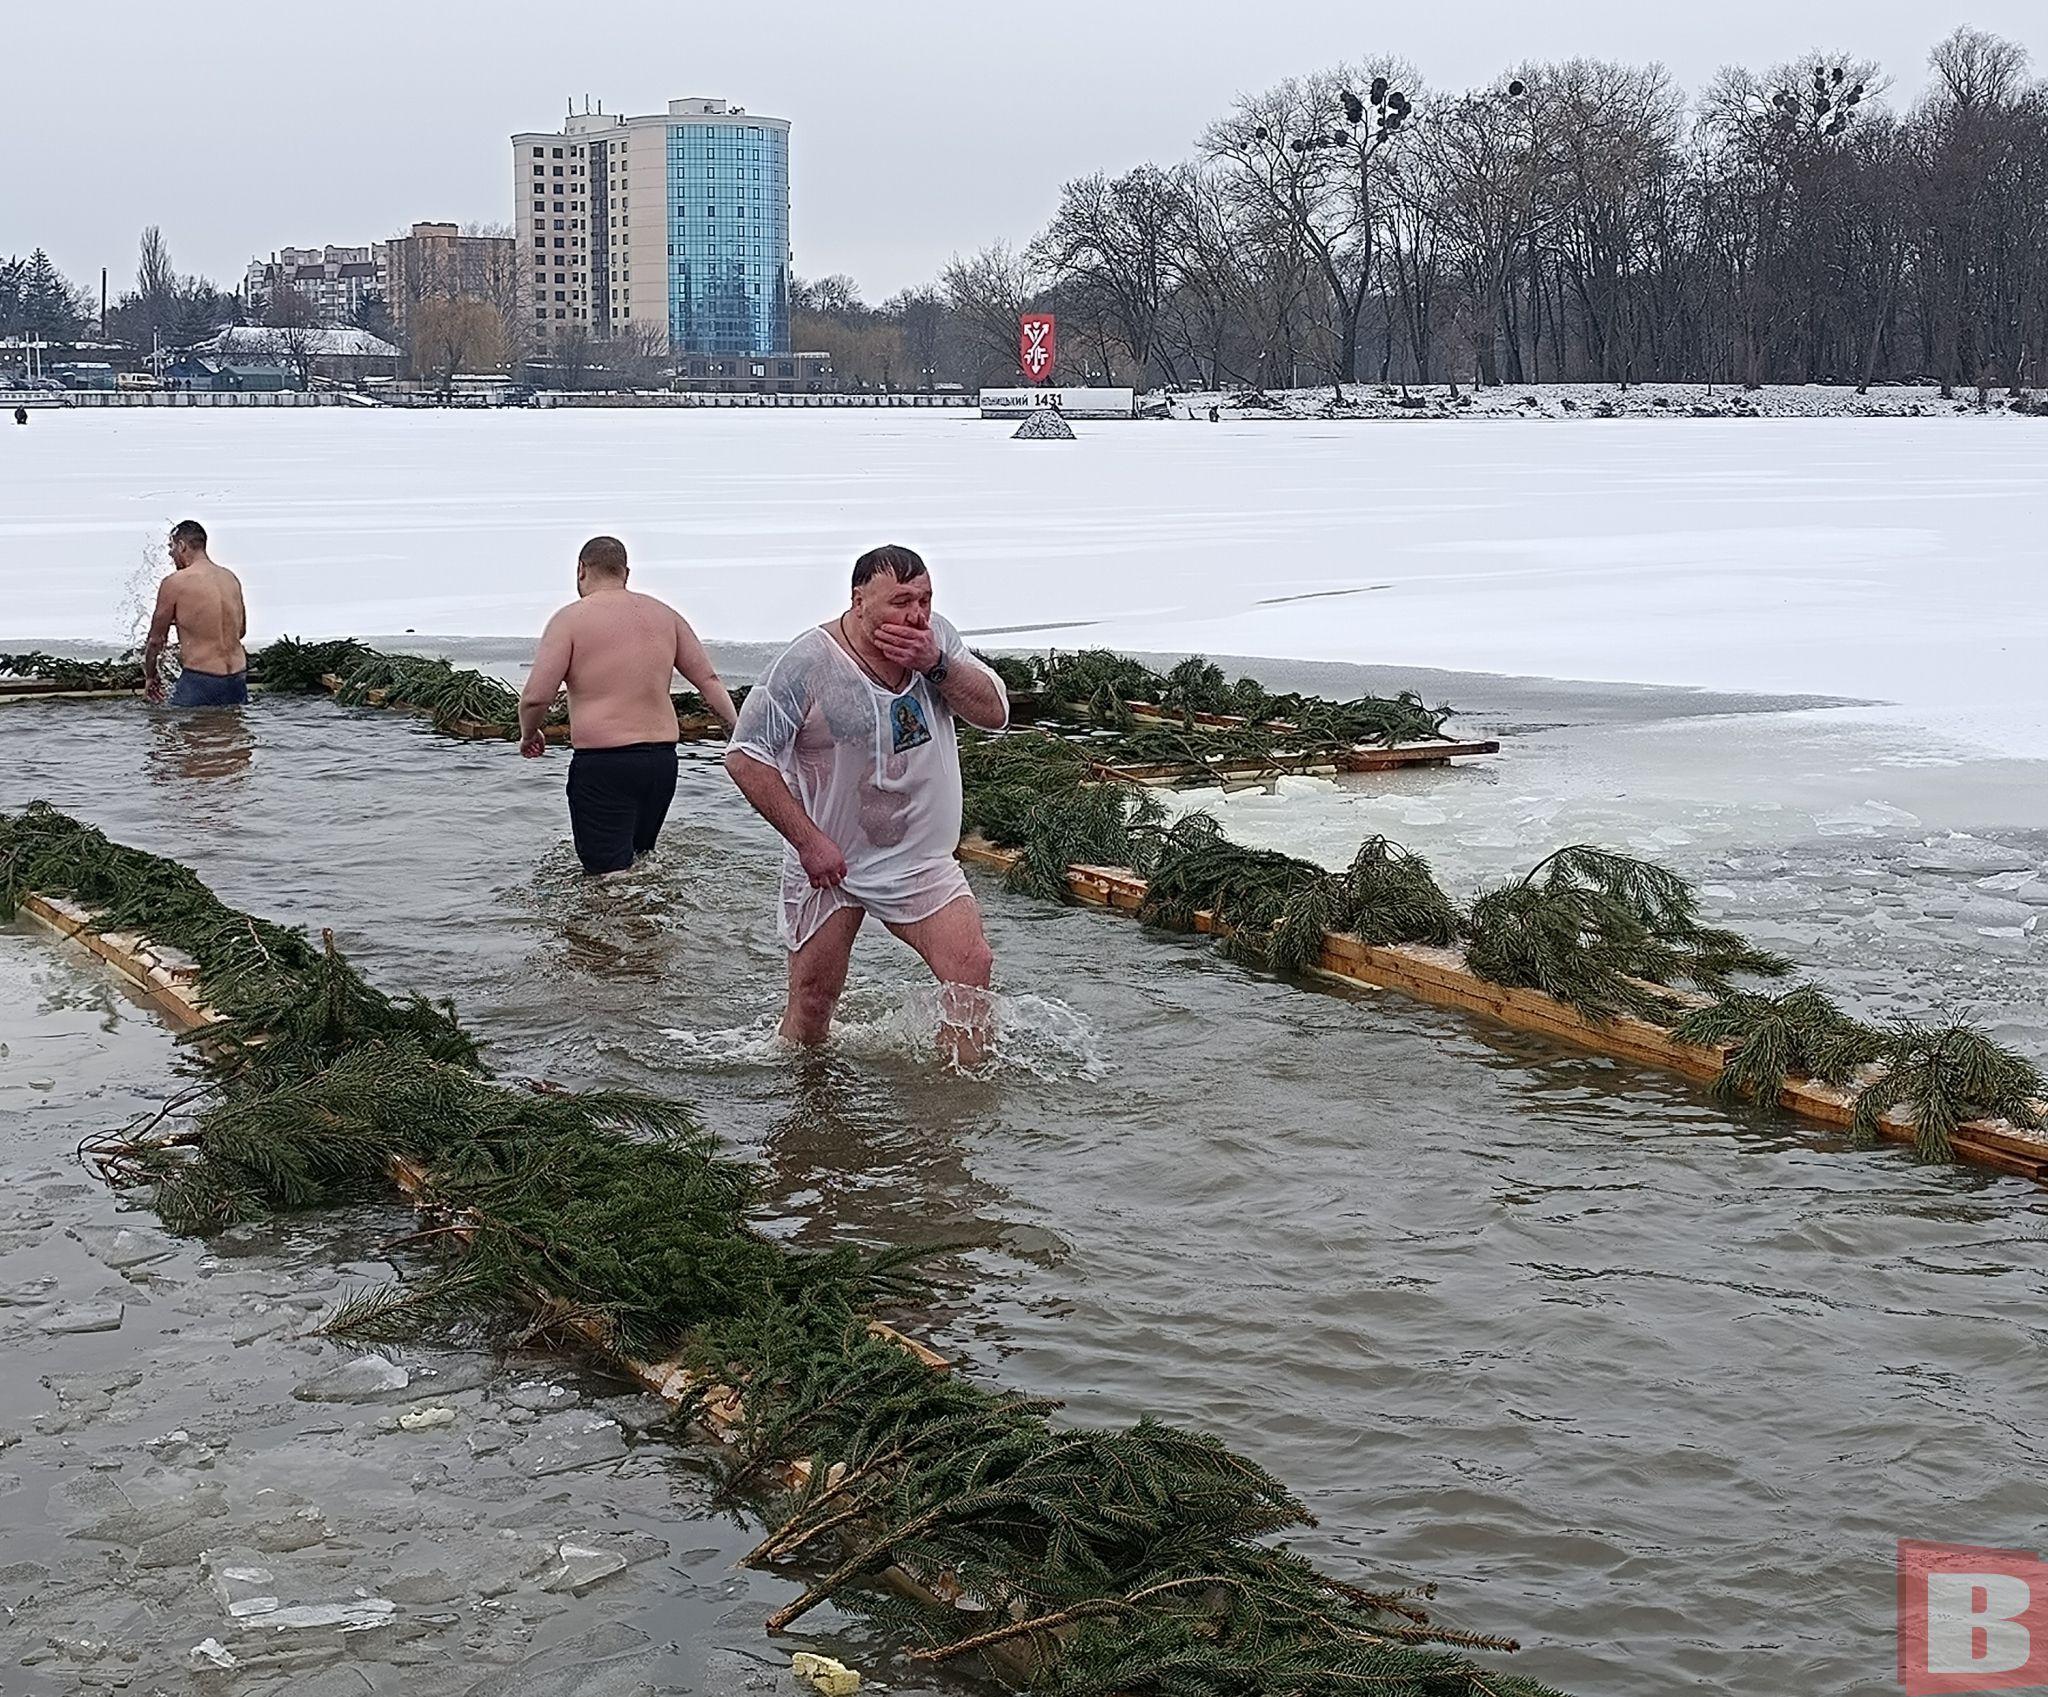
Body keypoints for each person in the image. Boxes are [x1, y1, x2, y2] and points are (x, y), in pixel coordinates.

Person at [726, 543, 1009, 1054]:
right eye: (901, 602)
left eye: (924, 599)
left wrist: (936, 665)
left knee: (971, 971)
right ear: (859, 601)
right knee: (814, 1003)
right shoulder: (807, 663)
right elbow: (745, 758)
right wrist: (809, 842)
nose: (917, 614)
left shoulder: (936, 641)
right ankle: (811, 1110)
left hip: (919, 859)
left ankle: (955, 1117)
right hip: (830, 861)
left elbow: (995, 714)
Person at [518, 534, 738, 876]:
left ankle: (620, 928)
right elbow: (709, 680)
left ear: (581, 570)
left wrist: (528, 733)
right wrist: (735, 735)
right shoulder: (666, 616)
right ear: (625, 573)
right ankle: (650, 928)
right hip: (662, 765)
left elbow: (536, 697)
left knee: (607, 878)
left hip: (605, 765)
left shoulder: (570, 620)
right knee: (640, 864)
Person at [145, 519, 248, 706]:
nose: (170, 554)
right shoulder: (230, 578)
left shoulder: (175, 583)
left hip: (202, 680)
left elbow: (155, 641)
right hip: (237, 679)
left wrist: (151, 677)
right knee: (230, 731)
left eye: (172, 547)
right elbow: (240, 631)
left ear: (182, 546)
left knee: (184, 731)